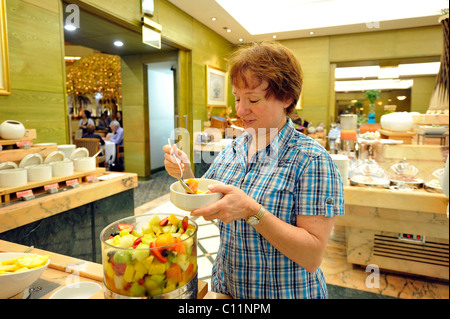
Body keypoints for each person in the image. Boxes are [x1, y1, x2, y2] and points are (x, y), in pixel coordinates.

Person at [163, 41, 344, 299]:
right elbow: (208, 194)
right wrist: (186, 171)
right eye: (237, 98)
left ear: (287, 98)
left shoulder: (311, 160)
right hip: (228, 289)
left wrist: (252, 211)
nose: (240, 110)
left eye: (253, 99)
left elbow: (312, 256)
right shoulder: (233, 147)